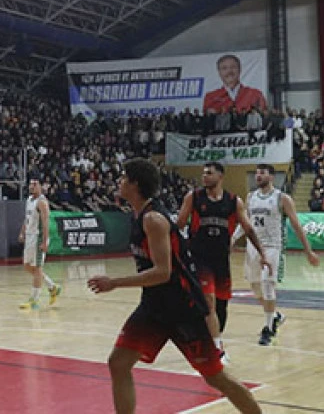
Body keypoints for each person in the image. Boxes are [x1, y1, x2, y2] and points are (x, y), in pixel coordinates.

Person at [88, 158, 263, 414]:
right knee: (118, 362)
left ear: (135, 184)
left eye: (124, 177)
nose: (119, 181)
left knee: (216, 378)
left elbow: (162, 272)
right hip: (154, 307)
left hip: (184, 308)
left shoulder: (154, 220)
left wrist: (114, 283)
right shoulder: (138, 216)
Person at [177, 161, 270, 358]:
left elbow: (248, 229)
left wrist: (263, 254)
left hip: (220, 260)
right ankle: (217, 350)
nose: (204, 176)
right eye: (203, 173)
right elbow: (178, 225)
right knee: (208, 302)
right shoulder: (193, 198)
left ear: (220, 176)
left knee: (220, 308)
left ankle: (210, 338)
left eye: (209, 173)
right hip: (199, 258)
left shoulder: (233, 201)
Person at [244, 164, 319, 345]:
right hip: (253, 246)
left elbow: (296, 225)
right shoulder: (250, 197)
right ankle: (275, 316)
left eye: (262, 173)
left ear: (272, 177)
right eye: (256, 173)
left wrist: (308, 250)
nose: (258, 176)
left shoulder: (282, 198)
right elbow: (245, 223)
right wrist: (231, 240)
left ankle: (268, 329)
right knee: (255, 288)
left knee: (267, 285)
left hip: (272, 247)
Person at [18, 177, 61, 310]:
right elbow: (27, 219)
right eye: (30, 184)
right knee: (27, 266)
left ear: (41, 186)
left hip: (38, 238)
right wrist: (22, 232)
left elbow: (45, 223)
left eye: (35, 184)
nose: (31, 186)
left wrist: (44, 241)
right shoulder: (29, 200)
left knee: (37, 269)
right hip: (30, 237)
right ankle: (52, 287)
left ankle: (34, 300)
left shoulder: (42, 202)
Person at [202, 54, 267, 114]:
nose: (229, 71)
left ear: (240, 69)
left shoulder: (255, 94)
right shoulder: (210, 97)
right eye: (224, 68)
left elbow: (263, 114)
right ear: (219, 72)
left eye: (233, 67)